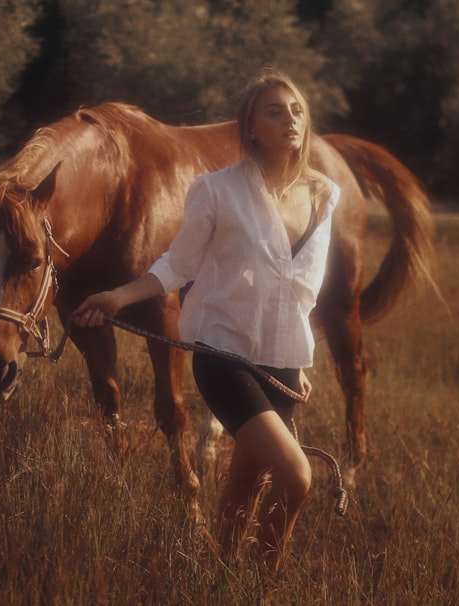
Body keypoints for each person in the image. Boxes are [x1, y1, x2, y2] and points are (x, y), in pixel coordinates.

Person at [72, 68, 341, 576]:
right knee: (296, 477)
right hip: (224, 355)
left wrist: (298, 352)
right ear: (251, 127)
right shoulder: (217, 190)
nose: (290, 119)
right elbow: (178, 265)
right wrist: (115, 297)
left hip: (283, 363)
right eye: (274, 111)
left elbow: (303, 285)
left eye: (297, 110)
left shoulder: (326, 196)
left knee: (247, 484)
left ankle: (217, 577)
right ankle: (259, 586)